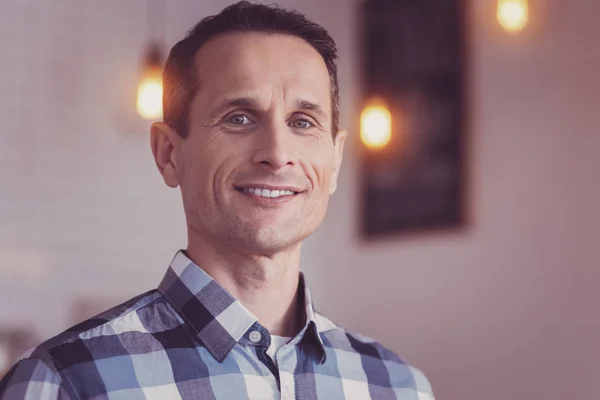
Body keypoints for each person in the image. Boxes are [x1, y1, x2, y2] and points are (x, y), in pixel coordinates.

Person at [0, 2, 435, 399]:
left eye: (303, 122)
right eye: (239, 118)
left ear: (335, 161)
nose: (277, 153)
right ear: (169, 154)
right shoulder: (64, 382)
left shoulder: (398, 386)